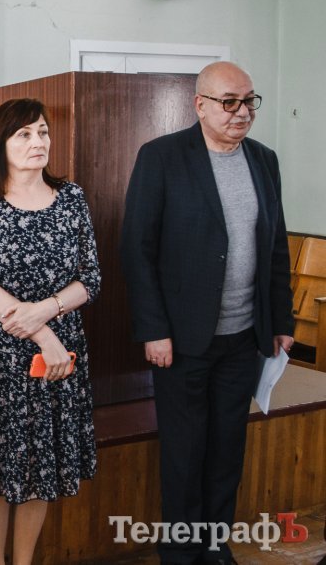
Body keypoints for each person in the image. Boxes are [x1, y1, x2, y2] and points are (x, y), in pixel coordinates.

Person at [120, 61, 294, 564]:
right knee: (185, 453)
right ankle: (180, 554)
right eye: (229, 102)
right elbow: (137, 249)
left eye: (249, 101)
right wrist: (153, 329)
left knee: (226, 451)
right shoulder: (162, 157)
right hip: (182, 340)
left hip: (244, 337)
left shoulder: (264, 160)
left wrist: (281, 320)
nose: (242, 112)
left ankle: (215, 548)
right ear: (200, 105)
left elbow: (276, 246)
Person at [0, 98, 100, 565]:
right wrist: (43, 334)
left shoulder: (70, 197)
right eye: (25, 134)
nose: (38, 142)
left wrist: (46, 312)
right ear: (2, 143)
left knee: (40, 467)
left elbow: (90, 278)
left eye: (43, 132)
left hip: (58, 355)